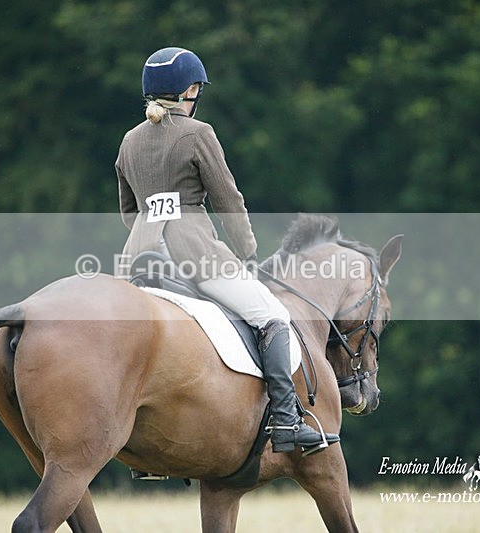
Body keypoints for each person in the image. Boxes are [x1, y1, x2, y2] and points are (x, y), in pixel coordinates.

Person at [115, 46, 339, 455]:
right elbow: (228, 201)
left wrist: (151, 233)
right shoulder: (198, 134)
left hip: (139, 258)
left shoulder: (129, 141)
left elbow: (129, 211)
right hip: (195, 254)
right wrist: (247, 251)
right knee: (272, 315)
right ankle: (286, 421)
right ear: (190, 91)